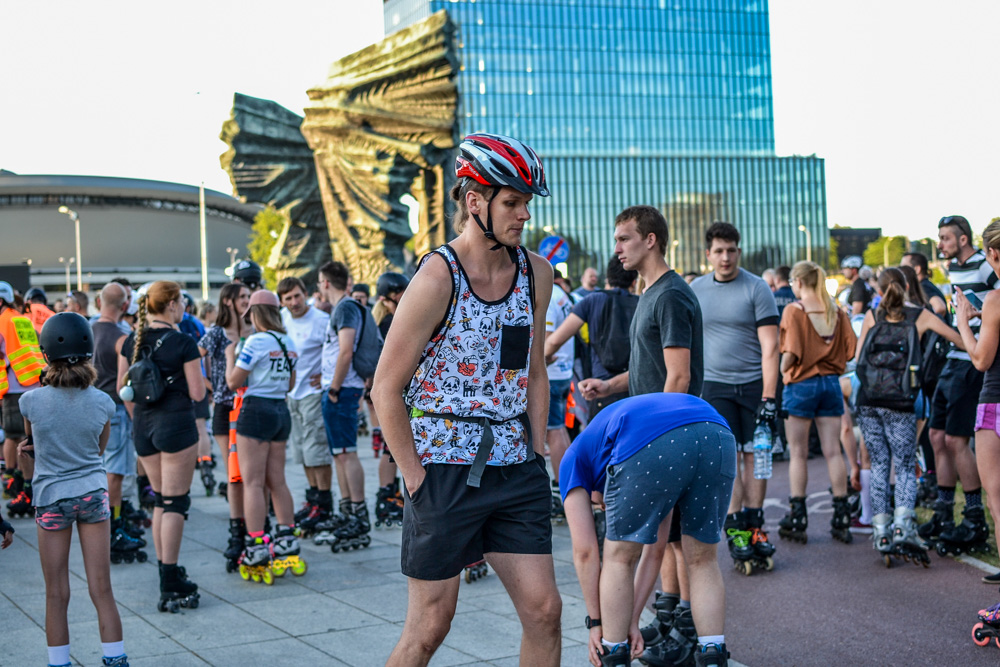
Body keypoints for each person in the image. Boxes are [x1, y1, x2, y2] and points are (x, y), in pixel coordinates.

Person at [372, 132, 561, 666]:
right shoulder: (437, 276)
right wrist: (414, 478)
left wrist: (539, 449)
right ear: (474, 201)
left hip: (514, 465)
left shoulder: (536, 274)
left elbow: (535, 369)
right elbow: (386, 387)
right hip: (442, 469)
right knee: (430, 626)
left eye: (527, 203)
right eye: (512, 202)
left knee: (545, 611)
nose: (524, 214)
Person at [579, 205, 704, 667]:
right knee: (667, 541)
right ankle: (669, 621)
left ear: (650, 240)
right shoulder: (648, 293)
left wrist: (655, 439)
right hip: (658, 430)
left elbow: (678, 377)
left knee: (679, 542)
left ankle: (686, 634)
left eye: (623, 239)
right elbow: (648, 371)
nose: (617, 249)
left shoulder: (671, 294)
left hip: (666, 434)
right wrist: (609, 386)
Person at [561, 393, 735, 667]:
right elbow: (655, 551)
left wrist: (597, 623)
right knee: (703, 559)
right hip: (717, 431)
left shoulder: (572, 460)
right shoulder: (603, 443)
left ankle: (614, 654)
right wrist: (631, 619)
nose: (603, 507)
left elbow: (585, 553)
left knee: (619, 556)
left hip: (650, 440)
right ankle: (712, 654)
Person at [20, 312, 129, 667]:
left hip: (51, 498)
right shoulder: (102, 402)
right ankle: (115, 659)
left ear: (46, 353)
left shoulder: (30, 402)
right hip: (93, 495)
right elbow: (97, 451)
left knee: (56, 593)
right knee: (102, 589)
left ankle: (59, 663)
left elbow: (32, 450)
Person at [854, 268, 964, 565]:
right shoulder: (921, 316)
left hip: (868, 400)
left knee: (878, 463)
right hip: (901, 401)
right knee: (904, 465)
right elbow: (960, 340)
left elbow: (857, 356)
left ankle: (881, 531)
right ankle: (904, 525)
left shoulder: (872, 316)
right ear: (906, 286)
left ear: (880, 289)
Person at [690, 222, 779, 574]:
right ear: (708, 254)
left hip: (756, 385)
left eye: (731, 250)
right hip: (715, 386)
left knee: (757, 455)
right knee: (728, 460)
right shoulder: (696, 289)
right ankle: (737, 529)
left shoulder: (757, 288)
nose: (725, 257)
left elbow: (771, 348)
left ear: (738, 251)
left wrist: (770, 397)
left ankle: (756, 525)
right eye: (719, 251)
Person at [117, 281, 204, 612]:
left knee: (159, 500)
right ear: (170, 305)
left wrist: (140, 416)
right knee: (176, 503)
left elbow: (122, 389)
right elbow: (197, 393)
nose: (183, 306)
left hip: (143, 427)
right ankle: (170, 579)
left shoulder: (131, 341)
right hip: (176, 426)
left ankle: (165, 570)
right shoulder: (183, 341)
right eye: (181, 301)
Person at [921, 216, 998, 549]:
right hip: (954, 359)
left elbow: (994, 306)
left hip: (976, 362)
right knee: (936, 435)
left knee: (955, 439)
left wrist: (972, 322)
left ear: (964, 239)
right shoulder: (953, 269)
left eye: (945, 238)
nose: (940, 244)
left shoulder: (986, 266)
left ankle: (974, 518)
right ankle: (943, 511)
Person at [777, 261, 857, 544]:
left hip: (801, 384)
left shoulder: (794, 311)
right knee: (833, 451)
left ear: (798, 282)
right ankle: (841, 515)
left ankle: (798, 516)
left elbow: (790, 354)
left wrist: (782, 369)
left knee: (798, 453)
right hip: (831, 384)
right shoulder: (836, 310)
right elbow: (850, 351)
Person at [225, 289, 302, 581]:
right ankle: (287, 537)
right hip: (281, 411)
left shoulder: (256, 342)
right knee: (277, 480)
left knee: (253, 483)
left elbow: (233, 382)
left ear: (255, 315)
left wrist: (230, 355)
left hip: (255, 410)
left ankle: (256, 543)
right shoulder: (288, 341)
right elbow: (291, 384)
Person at [954, 220, 1000, 577]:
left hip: (995, 401)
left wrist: (963, 326)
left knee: (997, 501)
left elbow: (982, 359)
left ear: (992, 254)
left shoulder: (997, 298)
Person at [315, 261, 371, 548]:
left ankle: (359, 515)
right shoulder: (342, 308)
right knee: (340, 453)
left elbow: (346, 351)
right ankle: (348, 509)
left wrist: (335, 387)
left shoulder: (345, 307)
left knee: (347, 453)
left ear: (325, 282)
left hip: (343, 389)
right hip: (338, 387)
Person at [91, 282, 146, 563]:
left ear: (99, 302)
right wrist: (139, 418)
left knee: (100, 471)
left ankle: (107, 525)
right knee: (115, 473)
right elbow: (126, 385)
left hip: (89, 409)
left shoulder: (86, 331)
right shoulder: (123, 337)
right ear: (125, 306)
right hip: (115, 411)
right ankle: (114, 528)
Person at [198, 282, 250, 569]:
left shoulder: (252, 328)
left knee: (252, 471)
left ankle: (254, 525)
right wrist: (209, 386)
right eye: (242, 296)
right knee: (235, 473)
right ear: (228, 301)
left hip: (250, 407)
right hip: (225, 407)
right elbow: (194, 359)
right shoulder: (216, 334)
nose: (246, 300)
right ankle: (236, 532)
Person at [547, 256, 638, 417]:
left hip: (599, 389)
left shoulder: (591, 300)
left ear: (608, 278)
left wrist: (544, 357)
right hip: (634, 387)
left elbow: (555, 340)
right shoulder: (642, 303)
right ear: (633, 282)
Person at [277, 277, 334, 536]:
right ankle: (312, 500)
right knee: (302, 451)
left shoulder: (321, 320)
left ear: (305, 294)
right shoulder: (282, 320)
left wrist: (325, 376)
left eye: (297, 296)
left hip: (313, 393)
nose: (294, 302)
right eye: (288, 298)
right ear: (282, 301)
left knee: (316, 450)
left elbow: (339, 350)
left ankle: (324, 504)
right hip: (292, 394)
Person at [370, 271, 409, 528]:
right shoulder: (389, 325)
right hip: (394, 393)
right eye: (400, 296)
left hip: (392, 393)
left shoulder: (386, 322)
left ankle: (388, 492)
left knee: (390, 445)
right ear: (386, 300)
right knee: (392, 445)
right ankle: (387, 494)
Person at [1, 280, 43, 516]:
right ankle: (30, 486)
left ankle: (21, 486)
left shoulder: (2, 320)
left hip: (15, 387)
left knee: (15, 437)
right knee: (30, 437)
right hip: (34, 382)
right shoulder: (21, 318)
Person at [545, 268, 575, 517]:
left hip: (552, 373)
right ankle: (566, 484)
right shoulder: (563, 295)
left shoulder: (550, 295)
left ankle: (561, 488)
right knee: (560, 429)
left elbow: (548, 339)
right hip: (563, 371)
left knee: (553, 431)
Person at [901, 252, 947, 318]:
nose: (900, 271)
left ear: (917, 269)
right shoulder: (926, 285)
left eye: (904, 267)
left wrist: (925, 324)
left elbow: (940, 308)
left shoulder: (924, 287)